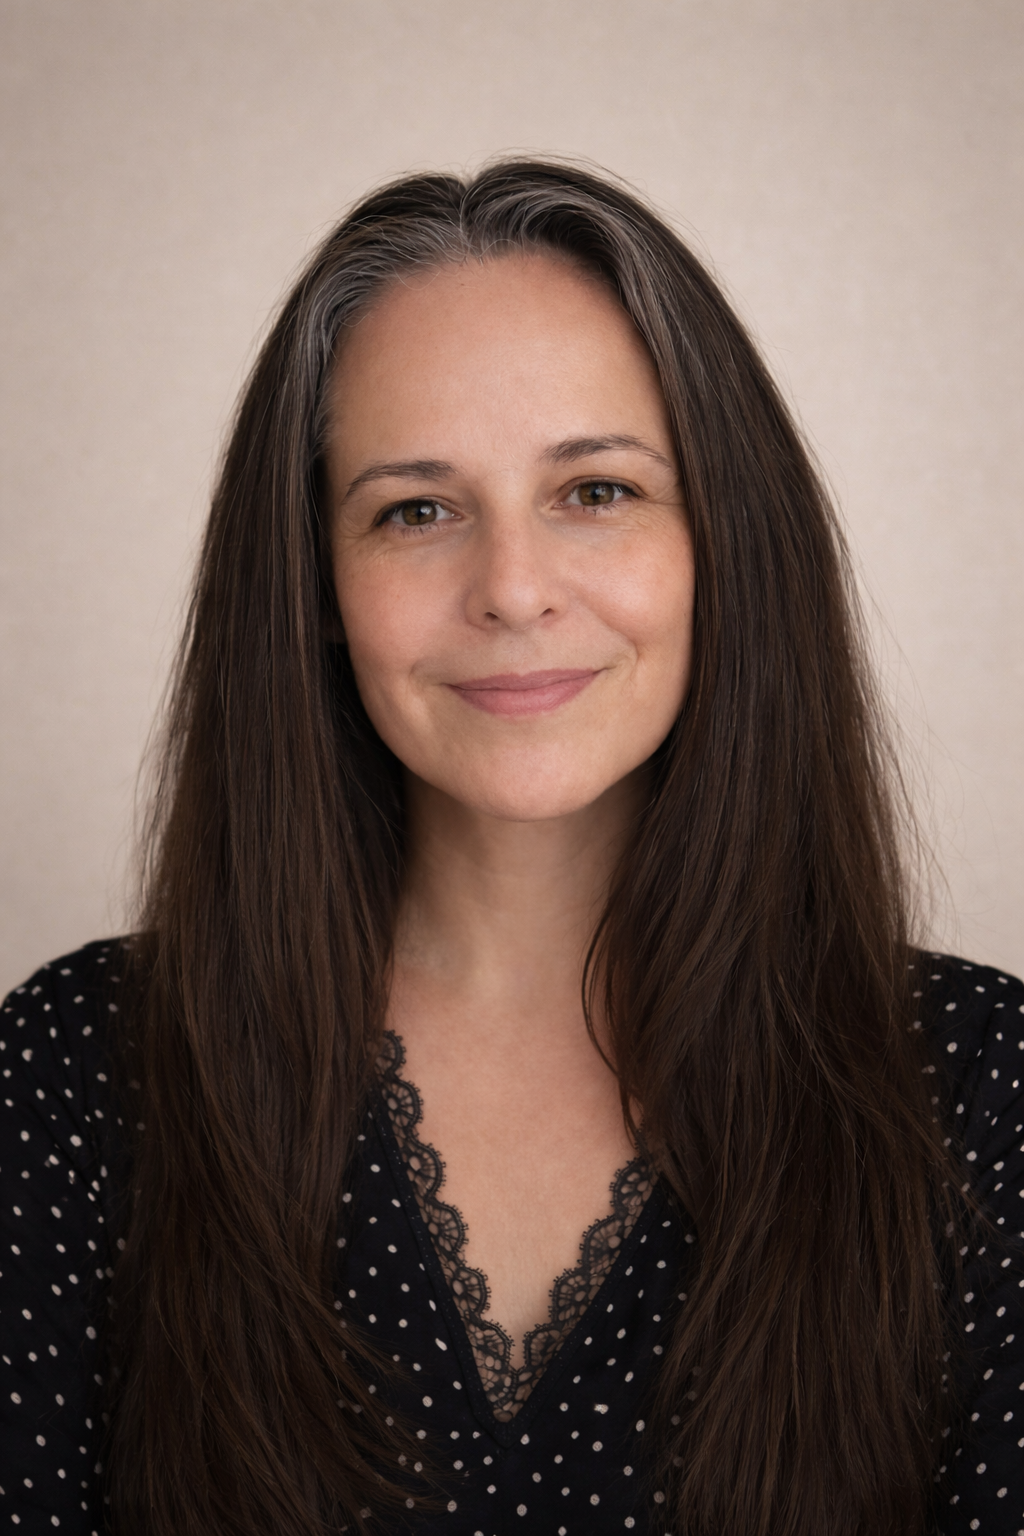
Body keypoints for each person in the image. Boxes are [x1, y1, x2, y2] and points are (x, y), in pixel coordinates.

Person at [1, 159, 1021, 1536]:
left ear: (725, 539)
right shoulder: (75, 1072)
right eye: (416, 509)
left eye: (595, 491)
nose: (514, 590)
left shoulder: (982, 1092)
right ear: (314, 584)